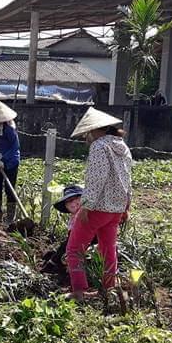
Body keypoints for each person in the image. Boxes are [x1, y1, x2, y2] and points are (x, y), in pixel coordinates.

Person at [64, 107, 132, 301]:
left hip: (97, 208)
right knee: (108, 248)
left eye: (88, 133)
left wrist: (86, 205)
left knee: (74, 249)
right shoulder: (122, 146)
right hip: (116, 208)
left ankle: (79, 290)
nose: (87, 137)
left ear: (96, 130)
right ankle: (110, 287)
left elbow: (96, 179)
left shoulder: (99, 146)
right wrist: (127, 205)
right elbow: (128, 178)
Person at [40, 185, 92, 281]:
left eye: (76, 199)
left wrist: (54, 260)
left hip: (90, 248)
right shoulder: (73, 218)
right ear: (66, 206)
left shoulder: (85, 214)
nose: (73, 203)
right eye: (68, 201)